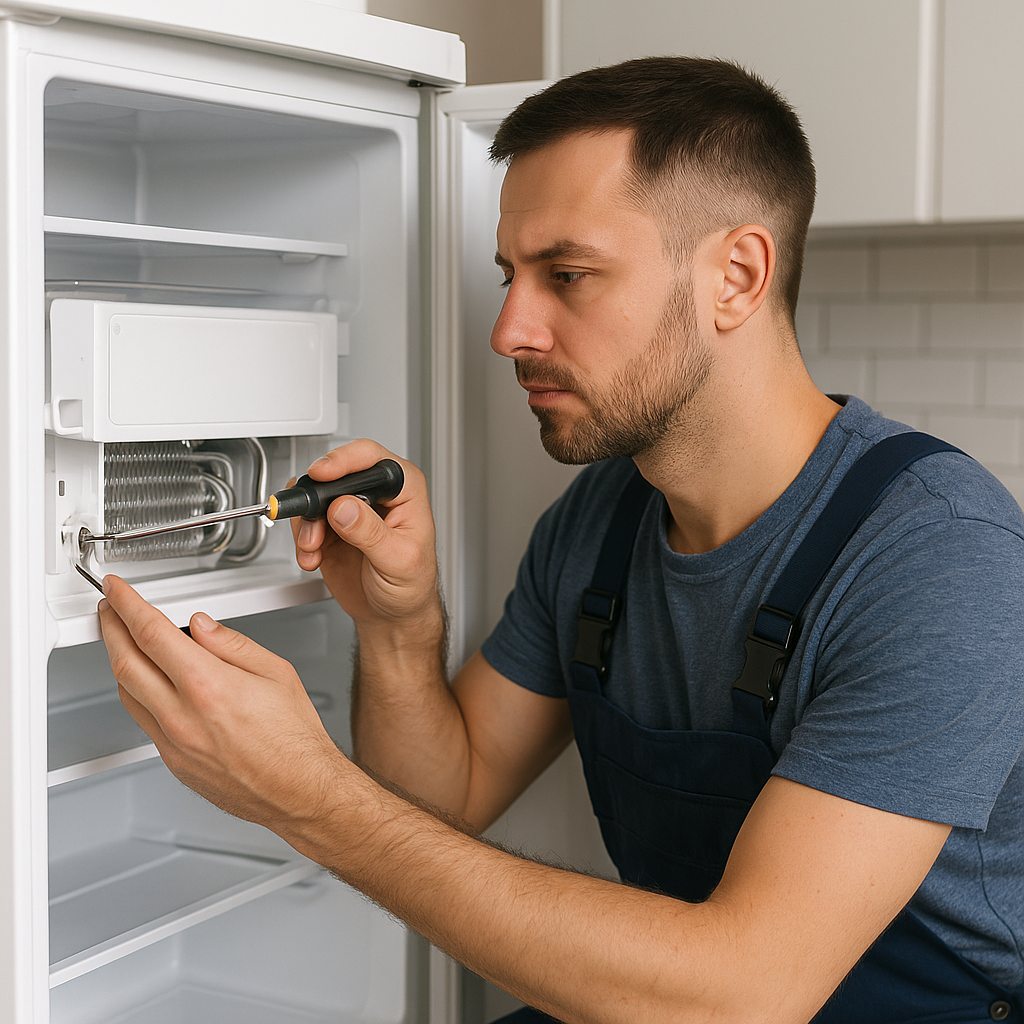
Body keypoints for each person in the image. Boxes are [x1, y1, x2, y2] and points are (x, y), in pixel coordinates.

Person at [98, 57, 1024, 1023]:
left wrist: (309, 797)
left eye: (567, 275)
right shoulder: (600, 522)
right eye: (511, 277)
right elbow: (444, 801)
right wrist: (401, 626)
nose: (507, 329)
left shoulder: (938, 560)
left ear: (736, 277)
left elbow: (745, 995)